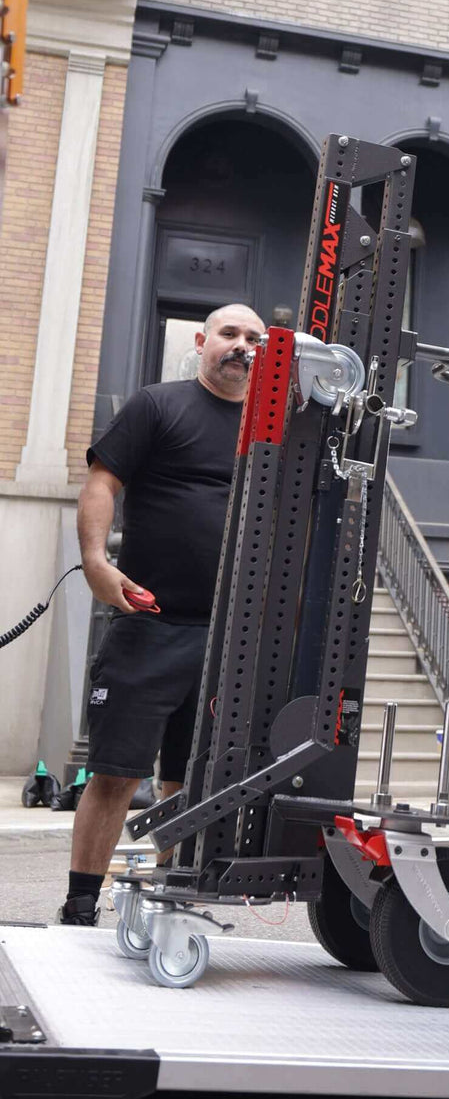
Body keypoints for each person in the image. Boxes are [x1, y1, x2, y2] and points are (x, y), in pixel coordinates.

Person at [60, 304, 266, 925]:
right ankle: (79, 907)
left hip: (228, 637)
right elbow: (101, 483)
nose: (241, 346)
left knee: (190, 783)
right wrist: (96, 560)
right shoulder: (158, 405)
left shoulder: (272, 427)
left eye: (255, 338)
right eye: (229, 334)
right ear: (202, 342)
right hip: (149, 625)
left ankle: (173, 904)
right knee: (115, 775)